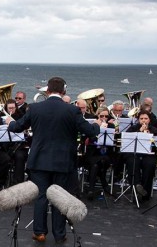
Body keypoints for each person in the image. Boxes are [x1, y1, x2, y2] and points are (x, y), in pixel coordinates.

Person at [8, 77, 99, 243]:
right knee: (59, 197)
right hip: (62, 162)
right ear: (63, 91)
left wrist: (9, 122)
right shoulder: (72, 111)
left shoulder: (35, 108)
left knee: (41, 196)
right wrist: (99, 125)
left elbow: (16, 127)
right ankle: (59, 234)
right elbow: (90, 131)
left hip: (40, 161)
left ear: (47, 91)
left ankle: (39, 232)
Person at [124, 109, 157, 201]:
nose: (143, 120)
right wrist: (139, 132)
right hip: (135, 153)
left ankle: (145, 190)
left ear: (149, 120)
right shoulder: (133, 128)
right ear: (138, 119)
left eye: (146, 118)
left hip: (149, 154)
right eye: (141, 118)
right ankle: (137, 185)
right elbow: (126, 139)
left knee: (149, 164)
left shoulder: (155, 130)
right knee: (132, 162)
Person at [83, 106, 116, 200]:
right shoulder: (93, 126)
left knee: (99, 163)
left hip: (105, 154)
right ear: (98, 116)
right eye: (102, 116)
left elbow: (112, 143)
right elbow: (90, 140)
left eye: (106, 116)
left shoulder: (111, 126)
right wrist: (98, 129)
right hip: (93, 153)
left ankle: (91, 189)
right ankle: (104, 184)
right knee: (96, 164)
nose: (104, 118)